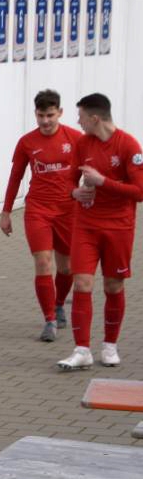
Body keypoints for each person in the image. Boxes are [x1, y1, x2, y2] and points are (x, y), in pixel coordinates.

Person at [57, 93, 143, 370]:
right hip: (86, 226)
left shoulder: (128, 145)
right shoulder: (83, 144)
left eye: (81, 117)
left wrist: (103, 181)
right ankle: (82, 350)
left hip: (119, 227)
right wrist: (74, 192)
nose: (78, 122)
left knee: (113, 286)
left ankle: (110, 346)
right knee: (82, 283)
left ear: (95, 118)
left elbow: (140, 191)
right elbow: (68, 180)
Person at [1, 90, 81, 341]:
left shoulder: (76, 139)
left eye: (50, 115)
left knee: (67, 267)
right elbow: (15, 177)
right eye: (40, 115)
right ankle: (49, 320)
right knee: (43, 262)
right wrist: (6, 212)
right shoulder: (27, 142)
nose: (45, 121)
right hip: (38, 210)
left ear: (60, 113)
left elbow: (89, 171)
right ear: (35, 114)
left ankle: (59, 303)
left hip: (68, 211)